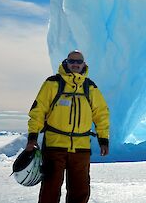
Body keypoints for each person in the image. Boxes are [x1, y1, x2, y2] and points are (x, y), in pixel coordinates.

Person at [26, 50, 110, 203]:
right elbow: (38, 111)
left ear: (84, 64)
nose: (75, 64)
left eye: (79, 62)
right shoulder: (52, 83)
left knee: (80, 191)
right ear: (66, 62)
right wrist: (32, 137)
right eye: (72, 61)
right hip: (54, 147)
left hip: (81, 148)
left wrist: (103, 139)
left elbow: (101, 114)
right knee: (50, 190)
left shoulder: (90, 88)